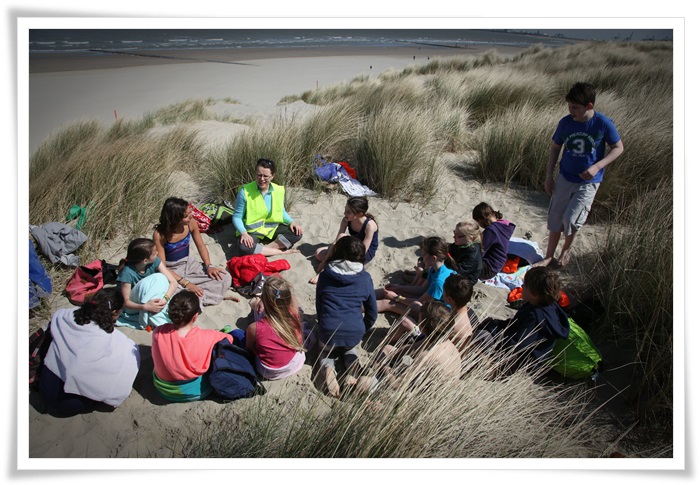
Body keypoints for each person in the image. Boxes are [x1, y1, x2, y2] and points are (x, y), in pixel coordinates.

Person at [536, 82, 624, 268]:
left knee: (572, 218)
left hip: (589, 181)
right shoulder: (566, 123)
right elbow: (555, 148)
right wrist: (548, 175)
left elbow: (618, 148)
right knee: (556, 217)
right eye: (569, 106)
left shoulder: (602, 123)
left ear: (589, 106)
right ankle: (549, 256)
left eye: (575, 108)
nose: (571, 111)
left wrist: (597, 166)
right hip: (565, 176)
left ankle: (566, 249)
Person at [40, 288, 140, 416]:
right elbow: (130, 357)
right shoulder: (111, 339)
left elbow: (55, 318)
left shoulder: (65, 315)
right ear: (114, 312)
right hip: (68, 402)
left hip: (45, 386)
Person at [475, 266, 570, 374]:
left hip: (518, 361)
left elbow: (514, 345)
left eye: (525, 285)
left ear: (535, 294)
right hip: (517, 347)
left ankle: (489, 367)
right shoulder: (543, 305)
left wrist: (493, 330)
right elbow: (516, 324)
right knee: (487, 324)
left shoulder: (536, 318)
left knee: (481, 336)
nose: (522, 286)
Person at [316, 236, 378, 398]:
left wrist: (323, 324)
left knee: (326, 353)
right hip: (354, 331)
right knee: (351, 350)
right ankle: (353, 369)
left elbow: (320, 306)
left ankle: (328, 369)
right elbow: (372, 311)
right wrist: (363, 328)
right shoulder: (365, 278)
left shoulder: (325, 275)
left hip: (329, 330)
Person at [151, 291, 234, 402]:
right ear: (195, 316)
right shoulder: (206, 336)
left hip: (163, 389)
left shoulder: (158, 332)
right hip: (194, 392)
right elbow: (229, 339)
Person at [153, 197, 236, 306]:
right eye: (186, 216)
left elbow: (201, 246)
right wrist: (186, 283)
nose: (191, 216)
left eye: (189, 212)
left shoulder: (191, 223)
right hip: (172, 269)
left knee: (224, 277)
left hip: (190, 264)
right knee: (175, 292)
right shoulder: (160, 234)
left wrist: (208, 266)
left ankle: (202, 297)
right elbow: (162, 267)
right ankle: (206, 296)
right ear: (176, 219)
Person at [376, 236, 458, 342]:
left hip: (435, 317)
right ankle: (360, 298)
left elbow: (420, 302)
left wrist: (396, 297)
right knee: (390, 292)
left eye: (423, 255)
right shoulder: (436, 269)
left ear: (433, 258)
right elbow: (421, 289)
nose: (422, 258)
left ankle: (358, 308)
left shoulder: (439, 281)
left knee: (388, 303)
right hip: (429, 305)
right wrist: (399, 288)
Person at [233, 158, 303, 256]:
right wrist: (244, 233)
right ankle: (278, 252)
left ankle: (264, 250)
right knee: (243, 246)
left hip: (272, 229)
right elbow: (237, 217)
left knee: (297, 233)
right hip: (252, 232)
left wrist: (292, 222)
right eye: (259, 175)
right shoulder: (245, 191)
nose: (262, 179)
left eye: (266, 176)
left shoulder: (278, 190)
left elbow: (281, 211)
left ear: (272, 176)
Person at [245, 276, 307, 380]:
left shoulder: (254, 328)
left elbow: (249, 349)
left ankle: (256, 303)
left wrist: (261, 301)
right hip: (294, 364)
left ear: (264, 299)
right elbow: (291, 298)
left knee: (257, 311)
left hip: (268, 372)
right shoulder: (294, 313)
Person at [309, 196, 379, 284]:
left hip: (363, 252)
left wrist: (334, 259)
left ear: (359, 214)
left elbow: (363, 251)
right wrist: (325, 260)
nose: (344, 213)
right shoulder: (346, 220)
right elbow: (336, 242)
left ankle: (324, 273)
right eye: (345, 210)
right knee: (319, 253)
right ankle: (334, 264)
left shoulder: (369, 226)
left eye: (348, 212)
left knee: (342, 239)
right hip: (352, 245)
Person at [115, 238, 179, 330]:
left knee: (164, 284)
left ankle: (160, 317)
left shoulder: (155, 261)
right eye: (154, 252)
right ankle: (160, 322)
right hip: (134, 306)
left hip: (150, 297)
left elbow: (173, 282)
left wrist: (165, 299)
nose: (157, 253)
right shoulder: (127, 273)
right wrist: (145, 307)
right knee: (160, 277)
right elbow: (126, 302)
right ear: (145, 260)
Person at [472, 202, 515, 280]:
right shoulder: (503, 226)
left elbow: (480, 251)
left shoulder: (491, 231)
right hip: (497, 265)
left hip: (488, 268)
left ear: (483, 218)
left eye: (478, 221)